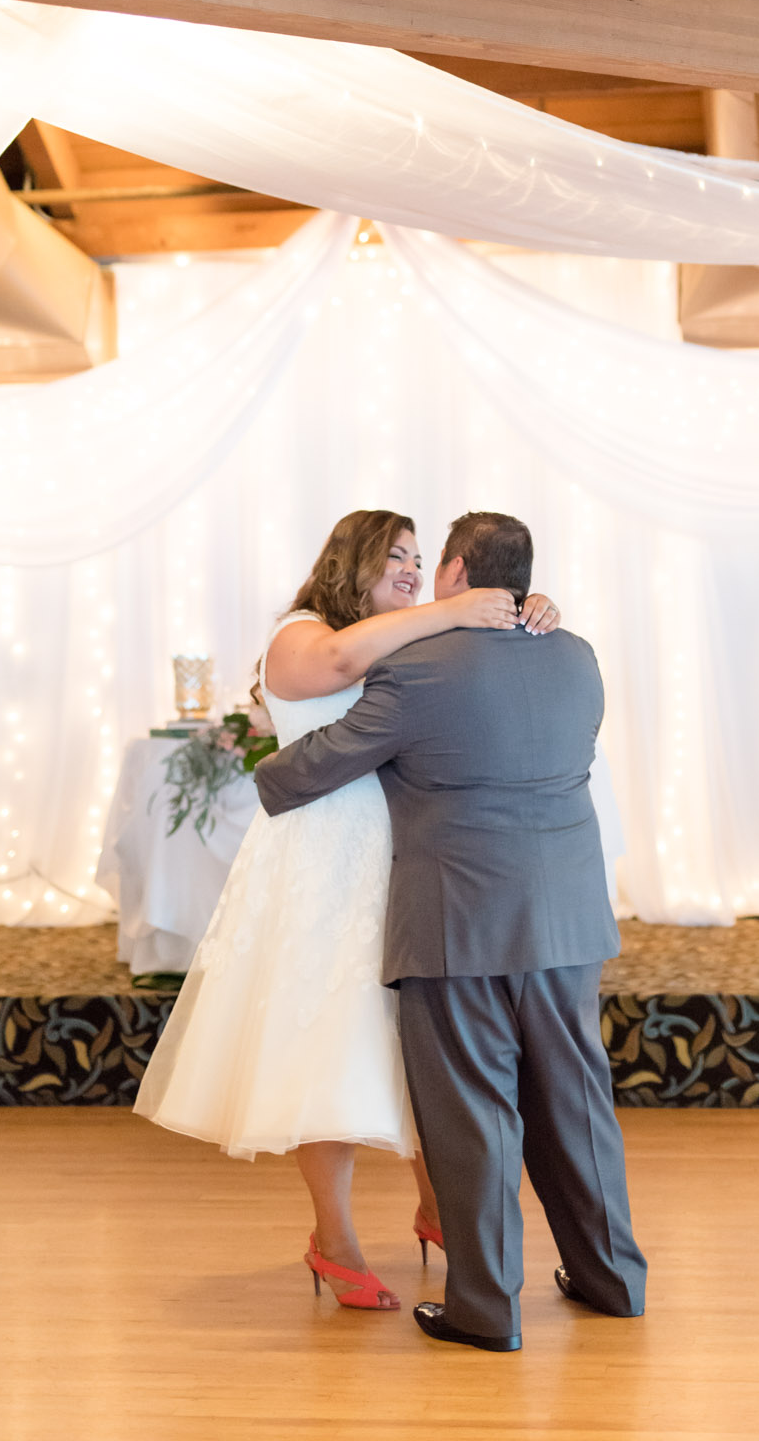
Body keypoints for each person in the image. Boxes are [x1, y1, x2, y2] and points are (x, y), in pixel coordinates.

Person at [134, 507, 562, 1311]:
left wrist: (530, 613)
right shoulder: (301, 632)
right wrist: (446, 609)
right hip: (318, 864)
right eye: (395, 555)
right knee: (324, 1049)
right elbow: (330, 668)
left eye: (419, 556)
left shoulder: (409, 631)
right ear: (352, 559)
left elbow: (477, 674)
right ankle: (334, 1238)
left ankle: (437, 1208)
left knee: (414, 1048)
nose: (409, 567)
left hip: (399, 858)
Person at [254, 511, 647, 1351]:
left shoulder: (422, 667)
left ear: (456, 572)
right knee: (577, 1105)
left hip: (457, 922)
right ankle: (611, 1280)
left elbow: (322, 764)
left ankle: (484, 1307)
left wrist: (267, 762)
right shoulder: (577, 657)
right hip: (568, 917)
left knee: (471, 1116)